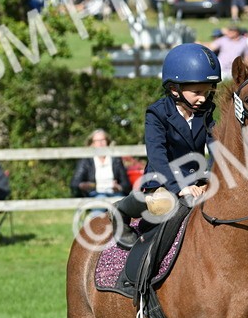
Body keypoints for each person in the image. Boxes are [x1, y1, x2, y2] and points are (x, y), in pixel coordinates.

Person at [112, 42, 220, 249]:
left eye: (207, 92)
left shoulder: (205, 111)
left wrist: (211, 179)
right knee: (164, 203)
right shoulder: (157, 113)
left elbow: (215, 147)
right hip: (163, 180)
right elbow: (157, 155)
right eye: (197, 91)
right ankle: (121, 210)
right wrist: (178, 187)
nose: (202, 98)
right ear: (174, 89)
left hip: (195, 181)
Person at [71, 129, 130, 200]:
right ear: (92, 144)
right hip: (95, 194)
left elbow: (126, 184)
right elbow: (75, 183)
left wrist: (118, 187)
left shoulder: (116, 159)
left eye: (103, 140)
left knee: (120, 202)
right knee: (100, 199)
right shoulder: (86, 160)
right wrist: (85, 185)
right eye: (97, 141)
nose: (100, 143)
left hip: (115, 193)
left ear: (107, 142)